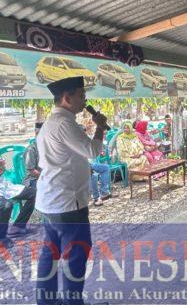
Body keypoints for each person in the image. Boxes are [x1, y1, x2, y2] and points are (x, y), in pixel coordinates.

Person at [35, 76, 108, 305]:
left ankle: (46, 302)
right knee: (76, 256)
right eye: (82, 96)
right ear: (67, 98)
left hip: (51, 202)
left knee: (51, 254)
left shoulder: (52, 122)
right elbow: (93, 150)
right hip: (67, 204)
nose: (85, 102)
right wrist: (100, 127)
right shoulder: (64, 123)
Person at [23, 122, 44, 188]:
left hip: (46, 178)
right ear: (35, 134)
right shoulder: (31, 149)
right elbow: (32, 171)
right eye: (38, 134)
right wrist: (46, 178)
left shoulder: (49, 148)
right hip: (33, 180)